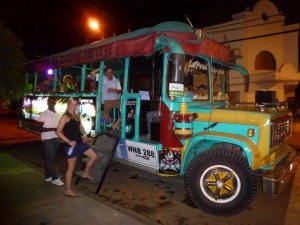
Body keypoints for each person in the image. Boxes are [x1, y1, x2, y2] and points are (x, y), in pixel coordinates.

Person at [56, 97, 98, 197]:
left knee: (94, 156)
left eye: (75, 104)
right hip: (71, 146)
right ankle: (68, 189)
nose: (73, 106)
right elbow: (58, 131)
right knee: (71, 168)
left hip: (80, 143)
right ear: (68, 104)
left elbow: (80, 127)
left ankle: (85, 172)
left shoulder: (76, 115)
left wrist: (84, 135)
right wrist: (68, 141)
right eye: (72, 104)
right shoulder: (65, 117)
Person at [36, 97, 64, 186]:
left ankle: (48, 176)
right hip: (47, 139)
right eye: (50, 102)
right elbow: (39, 128)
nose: (52, 103)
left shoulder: (58, 114)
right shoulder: (44, 114)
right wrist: (52, 129)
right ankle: (55, 178)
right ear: (47, 103)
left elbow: (59, 127)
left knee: (50, 158)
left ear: (55, 103)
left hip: (56, 138)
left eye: (53, 102)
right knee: (50, 159)